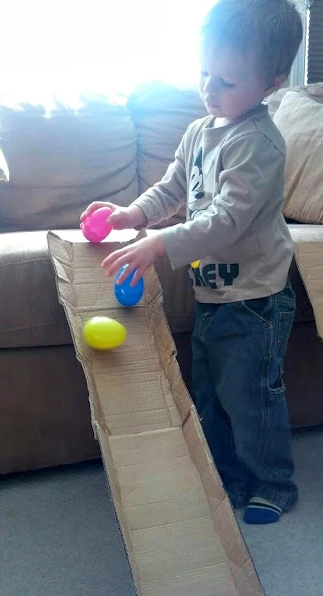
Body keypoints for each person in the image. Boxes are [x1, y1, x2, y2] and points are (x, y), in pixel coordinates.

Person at [81, 0, 303, 524]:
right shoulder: (200, 131)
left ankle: (273, 482)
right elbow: (175, 187)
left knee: (251, 396)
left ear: (271, 82)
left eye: (226, 80)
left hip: (255, 299)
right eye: (204, 73)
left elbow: (227, 218)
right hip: (212, 292)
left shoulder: (259, 143)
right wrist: (130, 213)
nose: (210, 89)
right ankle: (225, 475)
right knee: (211, 393)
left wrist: (160, 245)